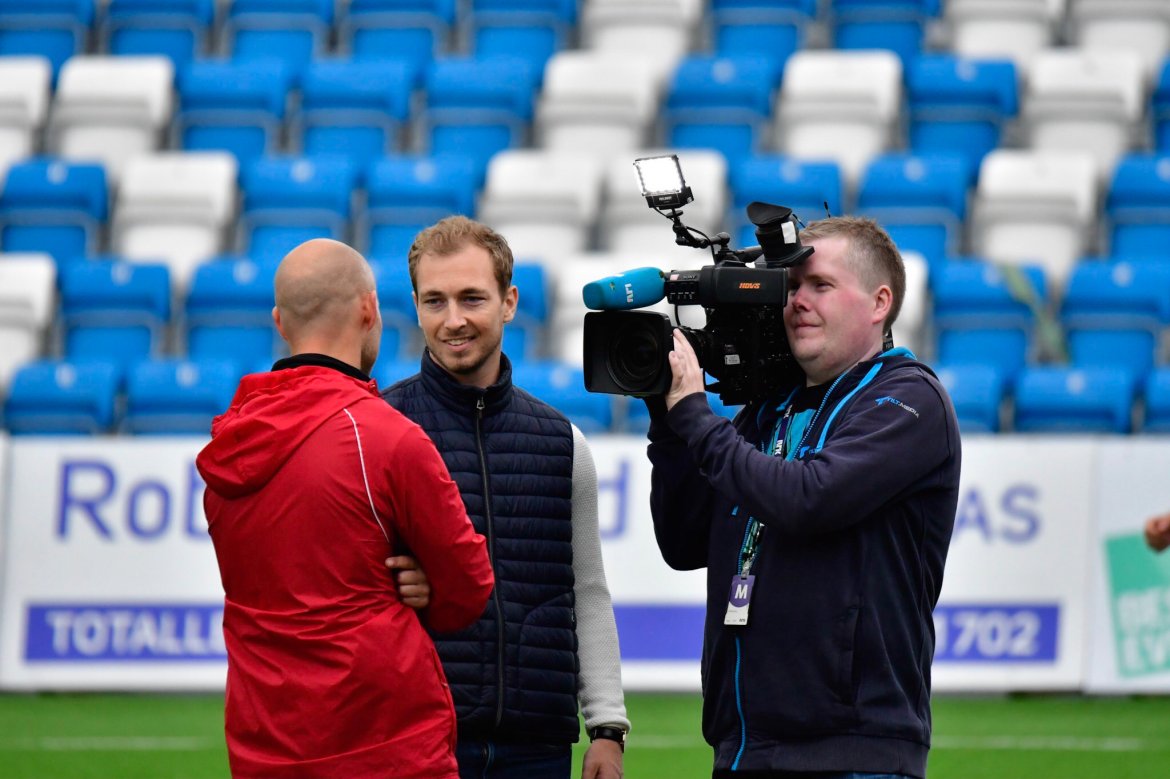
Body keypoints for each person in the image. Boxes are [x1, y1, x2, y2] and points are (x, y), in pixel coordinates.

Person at [645, 216, 961, 779]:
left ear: (880, 302)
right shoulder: (770, 411)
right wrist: (667, 421)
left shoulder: (909, 399)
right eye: (791, 287)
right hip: (743, 749)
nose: (798, 302)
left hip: (853, 751)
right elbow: (684, 540)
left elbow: (809, 498)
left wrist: (695, 417)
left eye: (821, 285)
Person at [197, 238, 494, 779]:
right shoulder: (385, 436)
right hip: (385, 744)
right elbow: (469, 586)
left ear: (280, 323)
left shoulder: (229, 445)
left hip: (265, 747)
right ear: (369, 309)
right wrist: (426, 588)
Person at [381, 216, 630, 779]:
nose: (453, 320)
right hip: (418, 742)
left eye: (472, 298)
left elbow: (587, 591)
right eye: (435, 301)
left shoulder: (563, 442)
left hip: (537, 750)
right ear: (416, 307)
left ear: (509, 302)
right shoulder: (380, 430)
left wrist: (607, 728)